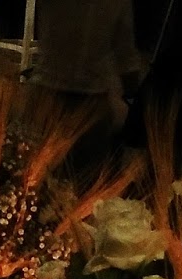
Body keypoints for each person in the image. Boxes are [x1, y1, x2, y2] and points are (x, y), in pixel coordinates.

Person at [31, 0, 144, 167]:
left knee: (35, 170)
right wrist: (134, 103)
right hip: (93, 103)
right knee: (85, 174)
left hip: (49, 94)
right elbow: (126, 55)